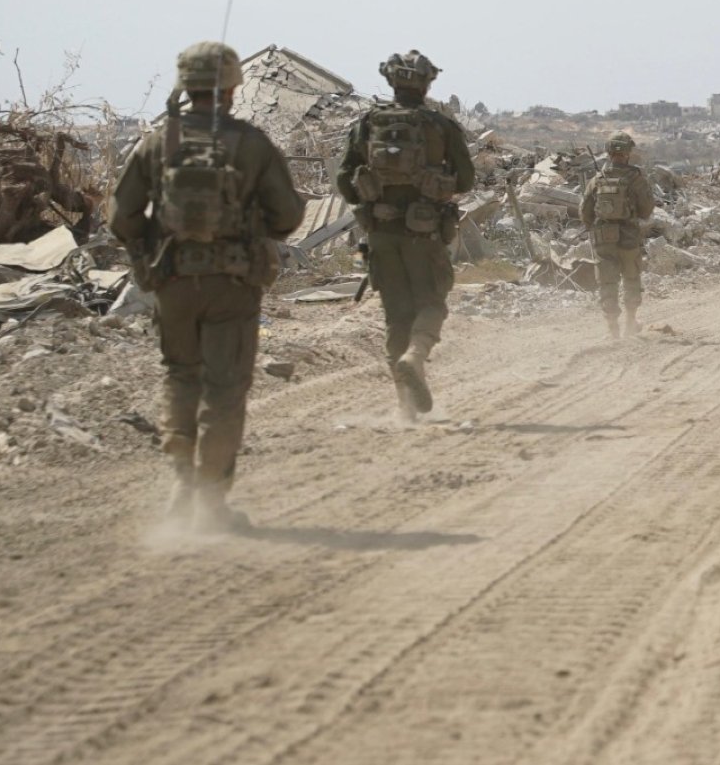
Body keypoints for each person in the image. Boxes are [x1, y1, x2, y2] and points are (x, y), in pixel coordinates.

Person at [111, 42, 304, 531]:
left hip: (172, 281)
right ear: (233, 86)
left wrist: (152, 249)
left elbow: (122, 218)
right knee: (225, 390)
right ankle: (211, 503)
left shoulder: (157, 143)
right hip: (233, 285)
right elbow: (287, 216)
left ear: (185, 85)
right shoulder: (252, 144)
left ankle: (182, 485)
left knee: (181, 375)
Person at [336, 50, 475, 421]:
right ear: (427, 83)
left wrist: (372, 198)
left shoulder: (368, 123)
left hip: (381, 234)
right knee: (432, 303)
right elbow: (466, 180)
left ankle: (405, 409)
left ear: (390, 81)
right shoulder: (439, 126)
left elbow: (343, 180)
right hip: (425, 234)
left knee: (396, 316)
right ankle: (415, 356)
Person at [583, 132, 655, 336]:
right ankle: (630, 322)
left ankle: (612, 327)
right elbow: (647, 210)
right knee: (631, 277)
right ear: (628, 152)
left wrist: (595, 227)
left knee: (607, 281)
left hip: (603, 238)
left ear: (608, 152)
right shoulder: (636, 178)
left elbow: (585, 212)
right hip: (629, 236)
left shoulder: (597, 179)